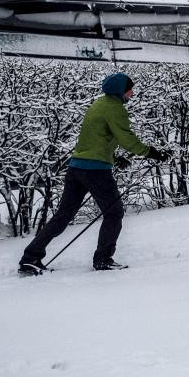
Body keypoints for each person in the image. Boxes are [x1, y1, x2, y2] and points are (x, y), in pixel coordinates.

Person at [18, 72, 170, 275]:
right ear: (120, 91)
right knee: (114, 213)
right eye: (129, 90)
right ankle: (103, 259)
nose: (132, 94)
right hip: (96, 171)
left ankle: (30, 258)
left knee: (63, 216)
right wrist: (153, 153)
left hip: (76, 168)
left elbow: (94, 139)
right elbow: (127, 139)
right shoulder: (115, 109)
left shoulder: (97, 105)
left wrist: (114, 158)